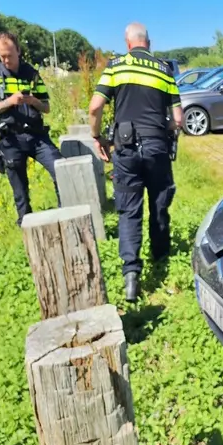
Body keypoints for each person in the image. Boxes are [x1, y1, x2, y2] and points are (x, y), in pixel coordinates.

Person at [88, 22, 183, 302]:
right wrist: (164, 128)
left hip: (126, 148)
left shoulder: (116, 66)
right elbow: (178, 119)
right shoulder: (164, 69)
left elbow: (95, 106)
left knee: (129, 211)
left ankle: (131, 276)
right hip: (156, 147)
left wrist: (97, 137)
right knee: (159, 203)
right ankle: (161, 256)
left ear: (127, 43)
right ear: (148, 43)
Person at [0, 31, 64, 227]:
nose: (6, 59)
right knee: (20, 194)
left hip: (36, 136)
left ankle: (65, 216)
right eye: (2, 55)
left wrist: (33, 101)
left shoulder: (31, 73)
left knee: (61, 170)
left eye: (9, 55)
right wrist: (9, 101)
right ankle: (27, 233)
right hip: (10, 139)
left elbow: (47, 107)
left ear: (18, 51)